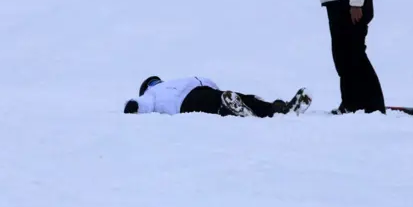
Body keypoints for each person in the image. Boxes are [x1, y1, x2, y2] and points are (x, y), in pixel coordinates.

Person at [123, 75, 311, 117]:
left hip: (200, 91)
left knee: (240, 97)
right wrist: (133, 105)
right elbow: (141, 104)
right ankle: (228, 107)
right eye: (152, 82)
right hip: (184, 103)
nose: (156, 83)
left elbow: (199, 79)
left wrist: (212, 87)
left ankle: (276, 109)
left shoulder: (173, 82)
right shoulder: (151, 93)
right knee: (212, 102)